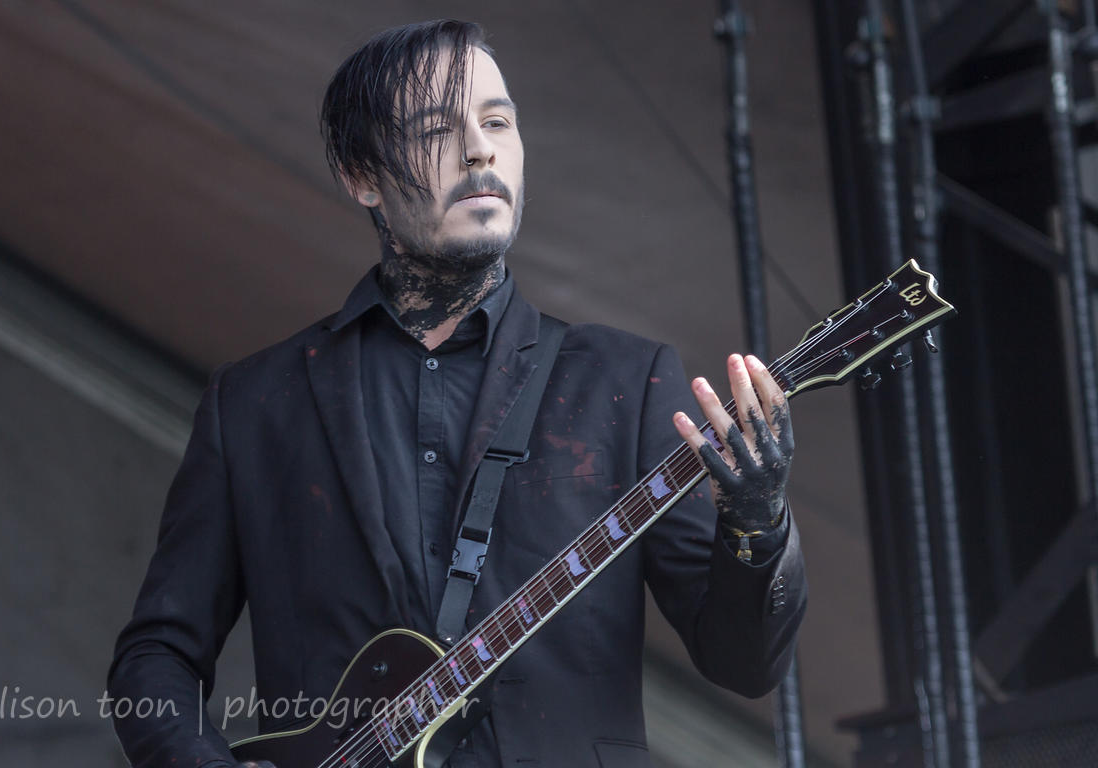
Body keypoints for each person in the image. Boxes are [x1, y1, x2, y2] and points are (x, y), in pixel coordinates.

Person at [107, 19, 805, 768]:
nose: (479, 151)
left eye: (497, 122)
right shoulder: (255, 403)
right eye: (436, 130)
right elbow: (157, 655)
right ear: (361, 176)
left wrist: (759, 523)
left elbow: (745, 665)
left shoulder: (625, 383)